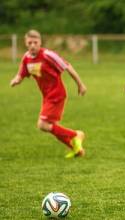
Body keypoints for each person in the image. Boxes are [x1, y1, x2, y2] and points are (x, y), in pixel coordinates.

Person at [10, 30, 87, 159]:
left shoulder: (48, 55)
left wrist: (80, 84)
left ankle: (76, 135)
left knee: (43, 125)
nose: (33, 45)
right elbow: (22, 73)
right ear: (26, 43)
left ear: (40, 42)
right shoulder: (26, 58)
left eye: (35, 42)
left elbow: (68, 66)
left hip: (56, 94)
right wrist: (16, 80)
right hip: (46, 96)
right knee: (50, 126)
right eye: (30, 43)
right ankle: (76, 149)